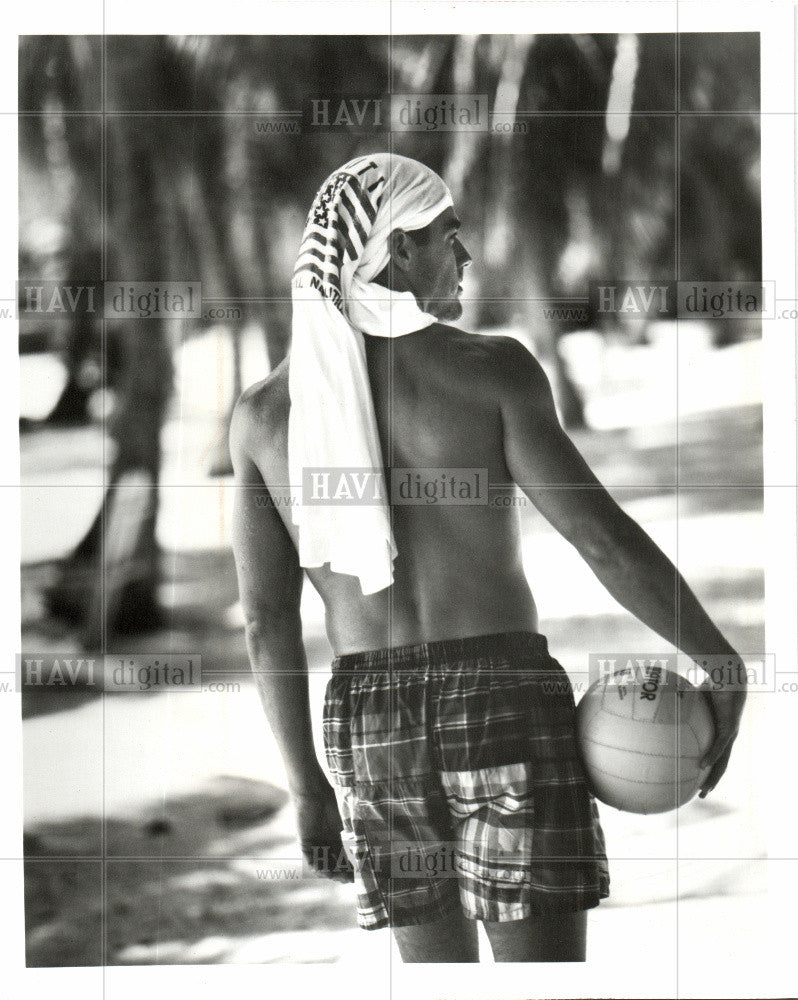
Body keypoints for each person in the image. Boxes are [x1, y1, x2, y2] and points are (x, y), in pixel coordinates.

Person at [229, 153, 746, 963]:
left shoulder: (263, 416)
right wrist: (719, 657)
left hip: (370, 722)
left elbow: (266, 623)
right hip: (501, 699)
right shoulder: (491, 371)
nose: (465, 257)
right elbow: (599, 537)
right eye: (447, 236)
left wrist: (307, 790)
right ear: (394, 253)